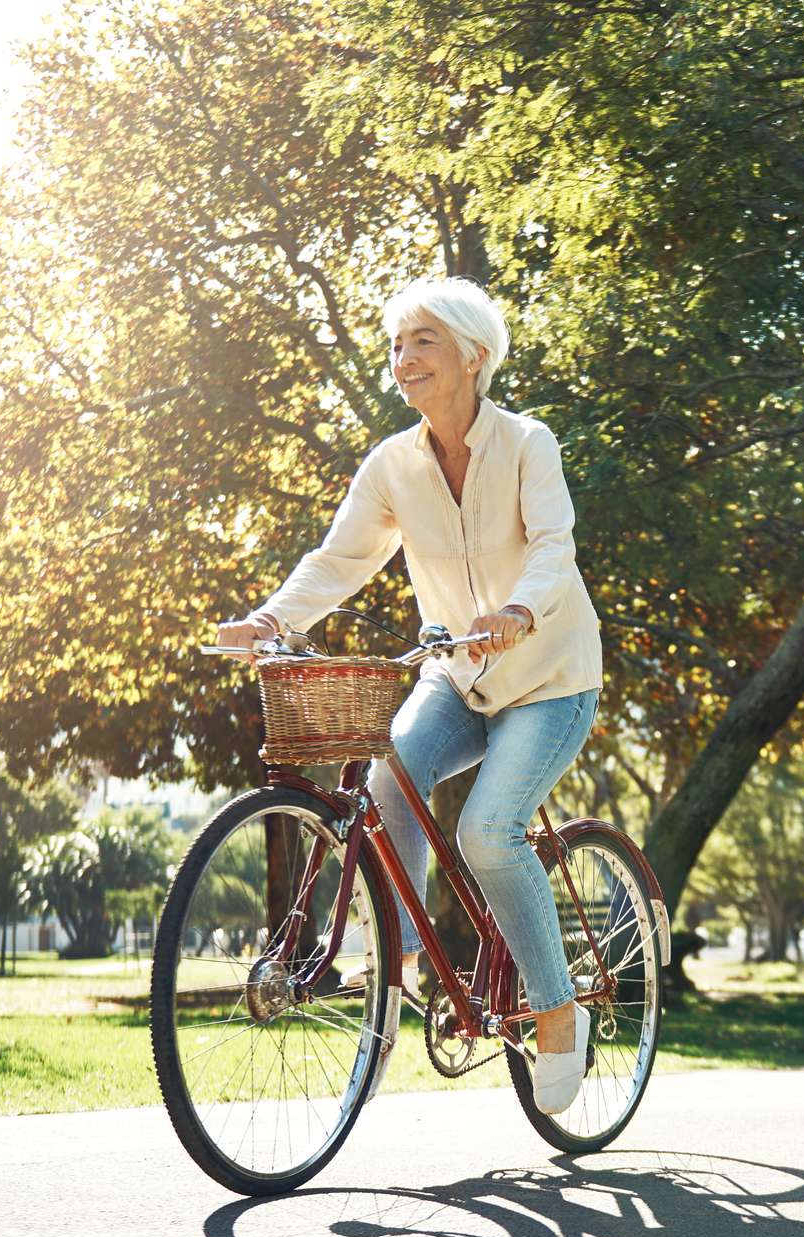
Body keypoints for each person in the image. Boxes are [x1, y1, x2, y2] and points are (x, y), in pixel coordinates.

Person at [214, 276, 604, 1114]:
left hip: (549, 678)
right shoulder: (394, 465)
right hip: (459, 676)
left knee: (490, 833)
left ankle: (557, 1009)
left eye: (422, 341)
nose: (403, 359)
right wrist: (271, 618)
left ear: (473, 354)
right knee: (387, 778)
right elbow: (340, 560)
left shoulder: (528, 443)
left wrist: (517, 610)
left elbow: (554, 546)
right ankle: (396, 966)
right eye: (397, 346)